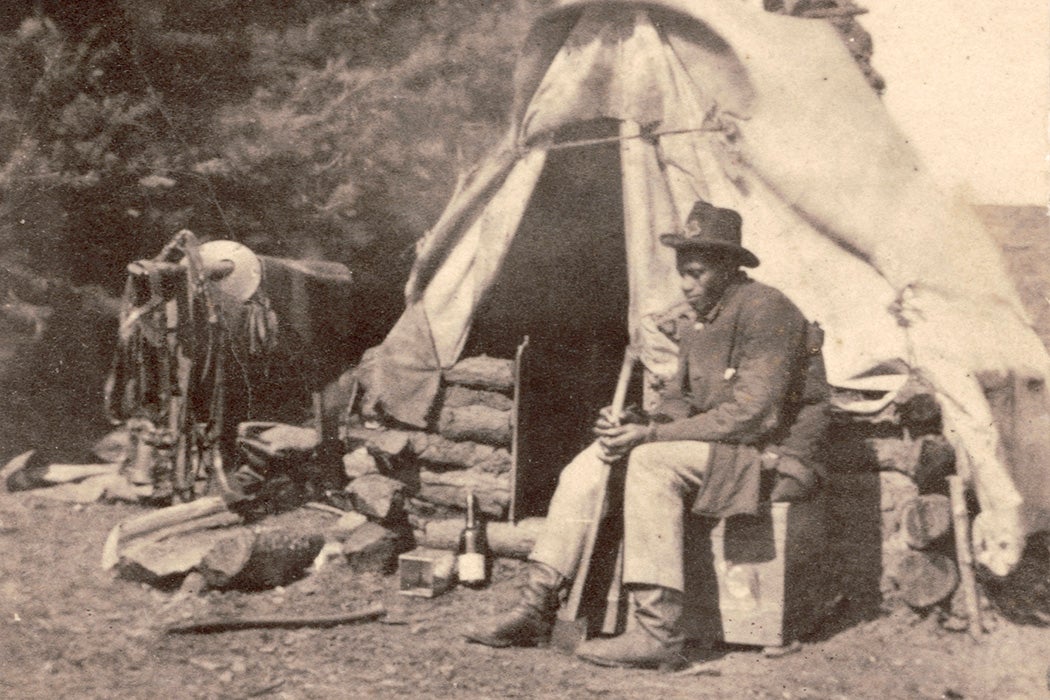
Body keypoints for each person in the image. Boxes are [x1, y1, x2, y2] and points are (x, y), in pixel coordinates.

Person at [465, 199, 829, 670]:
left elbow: (753, 415)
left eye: (696, 272)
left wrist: (653, 437)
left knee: (650, 462)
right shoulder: (701, 318)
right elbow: (679, 400)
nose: (685, 283)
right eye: (682, 271)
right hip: (722, 448)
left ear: (729, 266)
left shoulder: (767, 310)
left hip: (772, 456)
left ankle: (658, 633)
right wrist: (635, 422)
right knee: (593, 459)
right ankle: (535, 604)